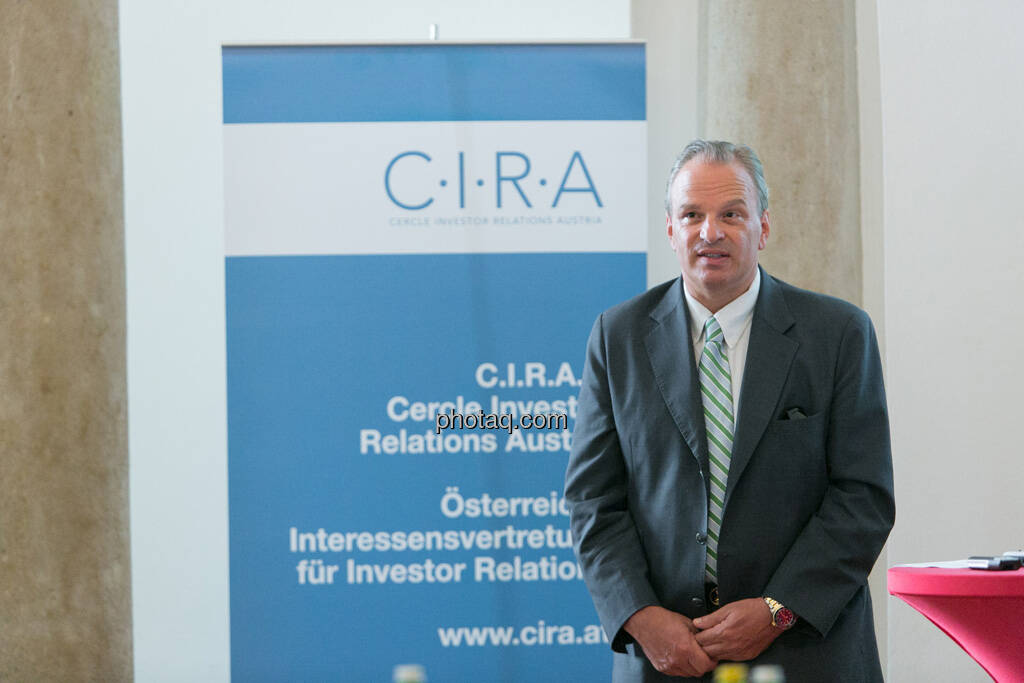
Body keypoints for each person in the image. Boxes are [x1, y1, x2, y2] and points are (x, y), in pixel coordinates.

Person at [564, 140, 895, 681]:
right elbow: (592, 500)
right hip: (665, 656)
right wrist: (642, 618)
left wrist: (777, 610)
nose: (710, 232)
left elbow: (863, 498)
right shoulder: (616, 337)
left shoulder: (838, 335)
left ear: (763, 227)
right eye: (692, 215)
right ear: (670, 229)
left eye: (731, 214)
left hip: (807, 652)